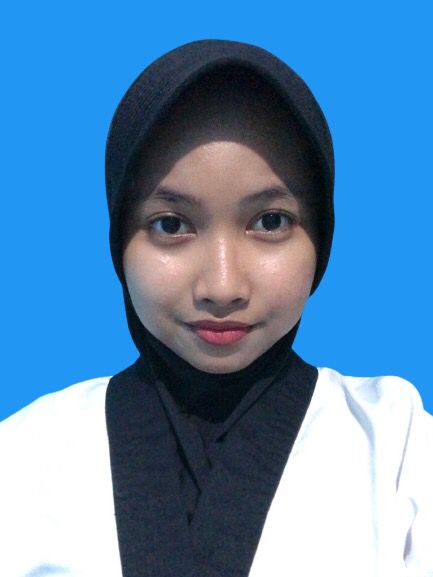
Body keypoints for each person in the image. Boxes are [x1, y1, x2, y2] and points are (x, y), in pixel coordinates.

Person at [0, 39, 432, 577]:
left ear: (322, 236)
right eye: (171, 225)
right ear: (118, 240)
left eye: (270, 221)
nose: (222, 286)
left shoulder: (401, 450)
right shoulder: (20, 456)